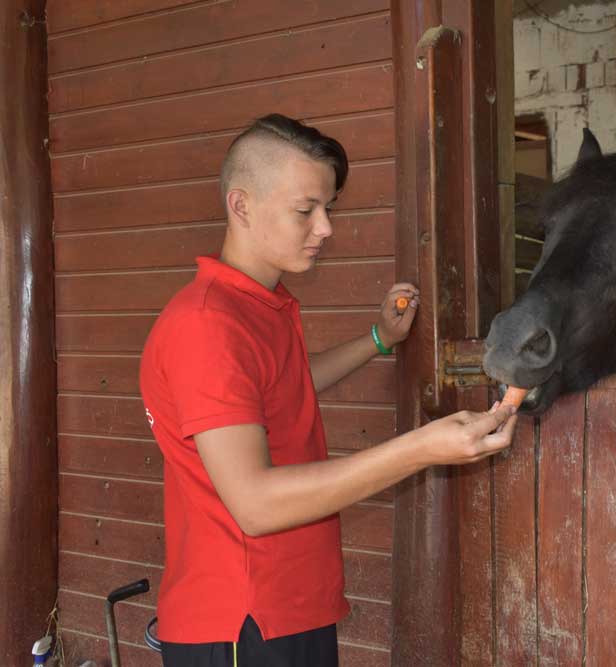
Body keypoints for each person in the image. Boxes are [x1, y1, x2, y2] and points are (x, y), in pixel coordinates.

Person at [139, 113, 517, 667]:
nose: (326, 228)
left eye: (328, 209)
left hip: (289, 604)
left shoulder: (256, 305)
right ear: (240, 206)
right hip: (240, 622)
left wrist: (378, 339)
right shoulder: (206, 325)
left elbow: (278, 390)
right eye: (305, 210)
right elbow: (256, 504)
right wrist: (421, 449)